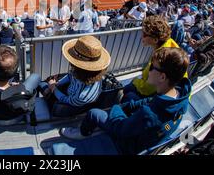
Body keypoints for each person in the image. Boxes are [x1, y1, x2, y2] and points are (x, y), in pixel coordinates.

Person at [59, 47, 192, 155]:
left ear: (162, 77)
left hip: (125, 144)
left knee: (94, 113)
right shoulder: (178, 97)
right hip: (143, 133)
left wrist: (117, 108)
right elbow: (148, 102)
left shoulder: (150, 114)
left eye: (152, 67)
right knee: (131, 97)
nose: (148, 69)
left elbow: (120, 128)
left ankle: (83, 132)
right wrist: (126, 107)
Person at [39, 35, 110, 109]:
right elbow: (71, 75)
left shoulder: (83, 96)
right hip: (70, 90)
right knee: (50, 80)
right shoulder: (87, 73)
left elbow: (67, 100)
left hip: (67, 102)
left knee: (41, 83)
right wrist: (57, 84)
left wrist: (53, 88)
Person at [122, 16, 180, 103]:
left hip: (160, 98)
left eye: (145, 34)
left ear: (155, 40)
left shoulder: (160, 58)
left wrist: (135, 82)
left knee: (127, 90)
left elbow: (148, 88)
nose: (142, 36)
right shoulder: (170, 43)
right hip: (166, 93)